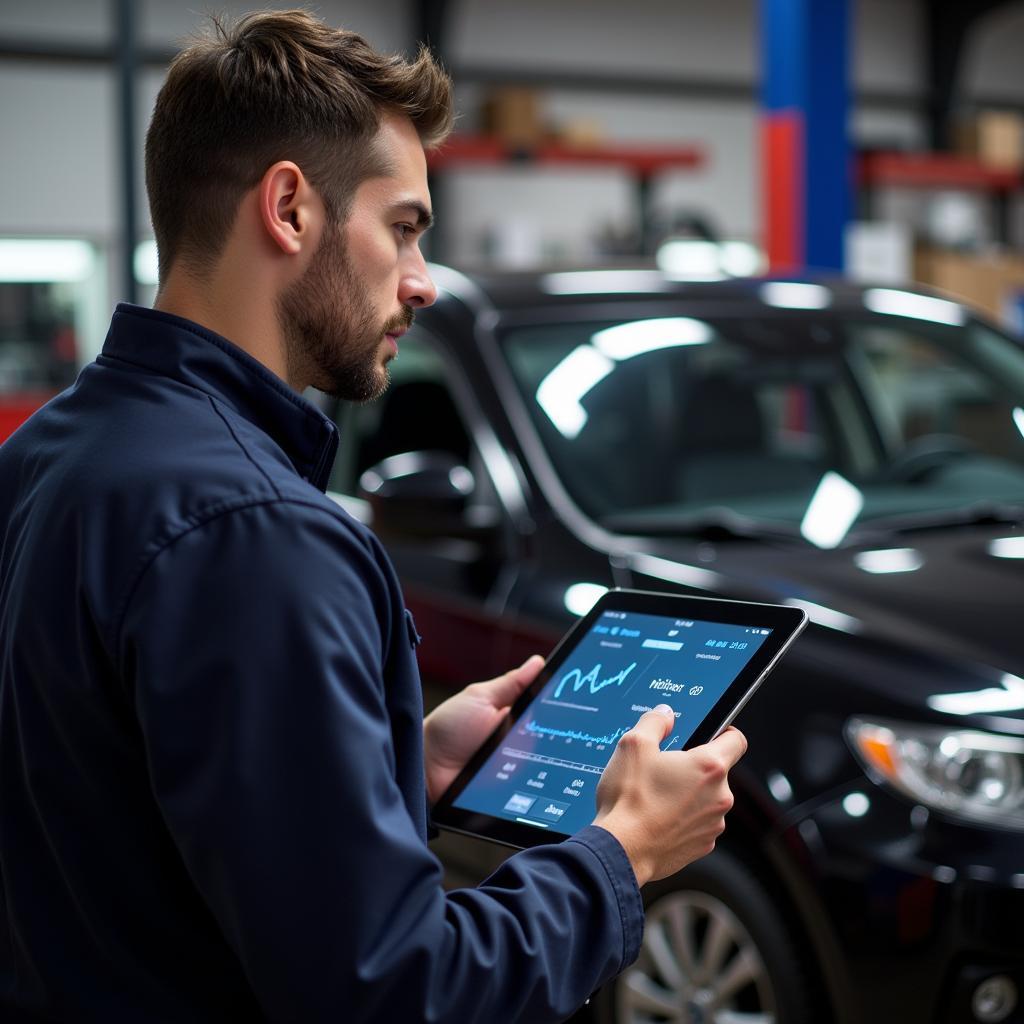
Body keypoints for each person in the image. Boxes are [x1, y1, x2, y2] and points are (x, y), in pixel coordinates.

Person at [0, 10, 747, 1023]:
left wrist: (400, 762)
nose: (421, 282)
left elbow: (116, 814)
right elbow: (395, 989)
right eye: (401, 227)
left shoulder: (48, 455)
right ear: (290, 209)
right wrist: (618, 854)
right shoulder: (257, 532)